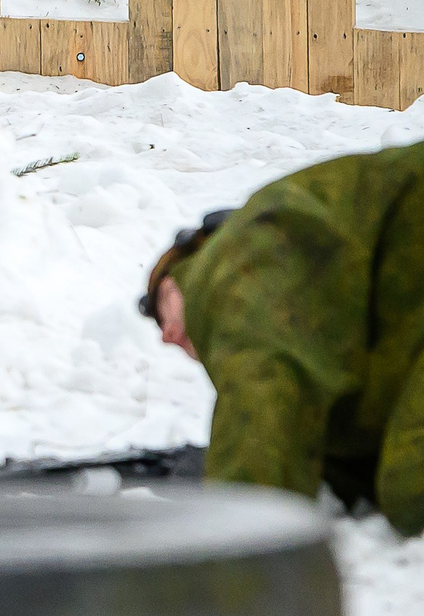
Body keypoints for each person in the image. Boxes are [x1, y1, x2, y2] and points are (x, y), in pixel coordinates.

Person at [143, 141, 424, 535]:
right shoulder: (304, 257)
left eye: (164, 308)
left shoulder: (233, 262)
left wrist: (233, 550)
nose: (169, 336)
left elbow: (265, 390)